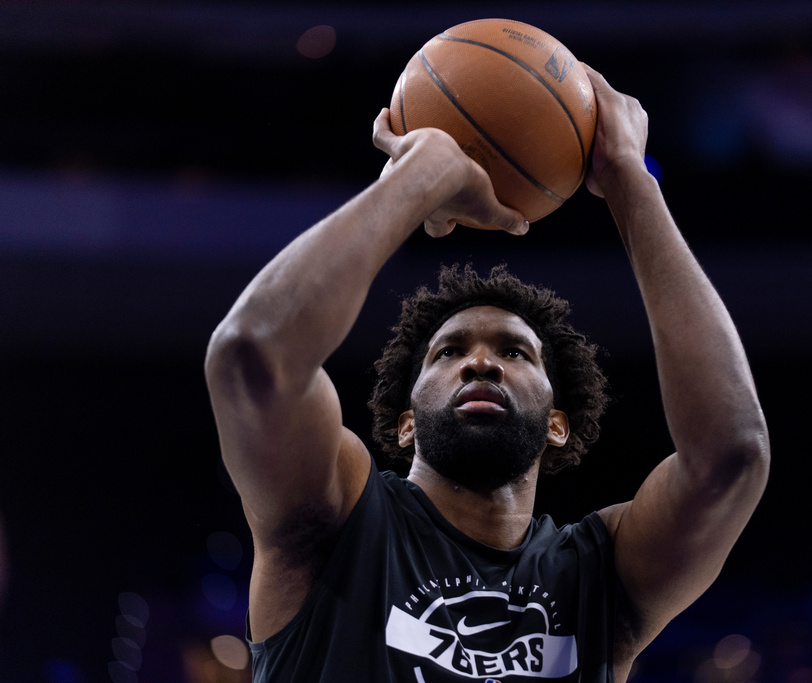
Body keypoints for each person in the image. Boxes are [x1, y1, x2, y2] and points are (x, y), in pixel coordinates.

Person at [205, 64, 770, 682]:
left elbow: (732, 454)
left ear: (558, 424)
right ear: (404, 425)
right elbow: (251, 356)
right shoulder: (341, 519)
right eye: (447, 352)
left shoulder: (597, 574)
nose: (480, 361)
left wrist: (631, 180)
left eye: (515, 352)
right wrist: (421, 175)